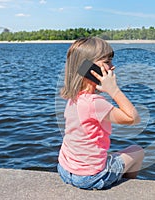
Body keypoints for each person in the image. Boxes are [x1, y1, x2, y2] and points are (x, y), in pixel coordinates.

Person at [57, 37, 144, 190]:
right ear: (88, 67)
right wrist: (114, 90)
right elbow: (133, 118)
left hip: (64, 169)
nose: (112, 66)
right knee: (137, 151)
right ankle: (127, 187)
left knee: (110, 151)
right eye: (107, 61)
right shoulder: (95, 103)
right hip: (89, 177)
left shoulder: (73, 97)